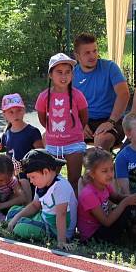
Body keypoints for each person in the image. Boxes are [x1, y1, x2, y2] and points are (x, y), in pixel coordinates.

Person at [35, 53, 88, 193]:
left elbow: (83, 118)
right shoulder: (44, 97)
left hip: (74, 144)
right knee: (50, 181)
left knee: (74, 181)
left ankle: (75, 212)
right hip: (53, 146)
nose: (64, 76)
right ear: (50, 75)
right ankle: (52, 210)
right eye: (59, 72)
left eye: (68, 72)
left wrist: (74, 132)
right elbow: (42, 119)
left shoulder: (78, 95)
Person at [7, 149, 78, 251]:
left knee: (20, 227)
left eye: (33, 177)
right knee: (12, 212)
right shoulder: (42, 183)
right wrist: (16, 218)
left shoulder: (60, 186)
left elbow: (61, 215)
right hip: (44, 218)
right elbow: (35, 205)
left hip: (56, 230)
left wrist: (61, 241)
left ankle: (23, 224)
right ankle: (17, 221)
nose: (31, 181)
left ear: (45, 172)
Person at [72, 32, 130, 151]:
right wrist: (79, 123)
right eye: (87, 52)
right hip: (84, 122)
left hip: (111, 120)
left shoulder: (110, 67)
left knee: (101, 141)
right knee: (48, 137)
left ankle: (101, 169)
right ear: (77, 56)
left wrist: (111, 122)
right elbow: (67, 102)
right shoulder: (72, 75)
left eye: (95, 51)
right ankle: (51, 169)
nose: (93, 56)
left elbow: (124, 94)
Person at [77, 147, 136, 243]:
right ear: (92, 174)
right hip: (93, 236)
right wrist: (125, 202)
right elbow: (106, 222)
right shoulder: (89, 194)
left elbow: (116, 197)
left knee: (134, 206)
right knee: (128, 209)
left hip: (102, 227)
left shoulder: (104, 184)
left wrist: (131, 198)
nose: (110, 174)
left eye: (111, 169)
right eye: (104, 171)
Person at [1, 93, 43, 201]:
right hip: (13, 178)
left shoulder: (32, 132)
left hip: (32, 178)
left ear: (24, 110)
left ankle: (28, 206)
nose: (15, 115)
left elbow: (42, 155)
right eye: (11, 112)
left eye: (19, 110)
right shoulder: (6, 134)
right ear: (4, 114)